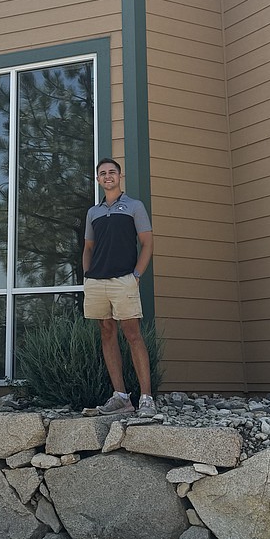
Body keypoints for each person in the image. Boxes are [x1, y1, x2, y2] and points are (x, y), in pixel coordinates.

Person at [82, 157, 156, 416]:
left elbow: (147, 243)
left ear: (119, 176)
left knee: (133, 334)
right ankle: (121, 398)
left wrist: (136, 274)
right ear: (98, 179)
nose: (107, 176)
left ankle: (146, 398)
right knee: (106, 333)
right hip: (96, 281)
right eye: (102, 173)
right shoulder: (93, 212)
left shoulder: (134, 206)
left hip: (124, 279)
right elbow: (88, 248)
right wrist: (87, 275)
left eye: (112, 172)